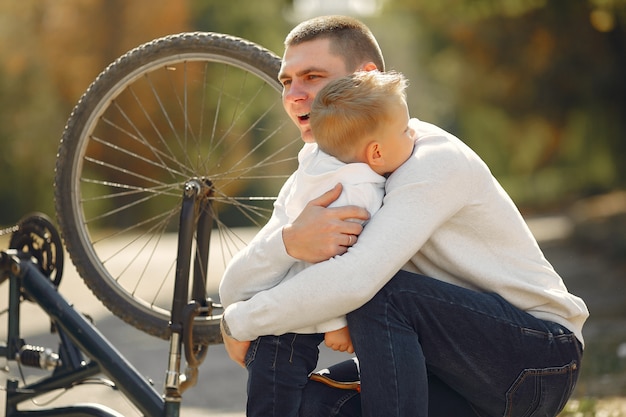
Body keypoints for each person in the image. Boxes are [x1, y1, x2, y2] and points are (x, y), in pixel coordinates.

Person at [220, 15, 589, 417]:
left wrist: (240, 323)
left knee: (381, 293)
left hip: (535, 361)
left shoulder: (432, 159)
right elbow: (238, 287)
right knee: (312, 404)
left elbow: (355, 281)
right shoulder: (313, 177)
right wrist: (288, 242)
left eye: (312, 76)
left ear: (366, 78)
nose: (294, 95)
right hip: (445, 373)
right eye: (287, 81)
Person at [219, 70, 416, 417]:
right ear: (376, 152)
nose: (414, 133)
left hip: (283, 306)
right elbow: (331, 261)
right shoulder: (357, 193)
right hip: (292, 321)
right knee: (275, 402)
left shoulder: (318, 160)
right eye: (405, 130)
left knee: (274, 396)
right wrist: (336, 322)